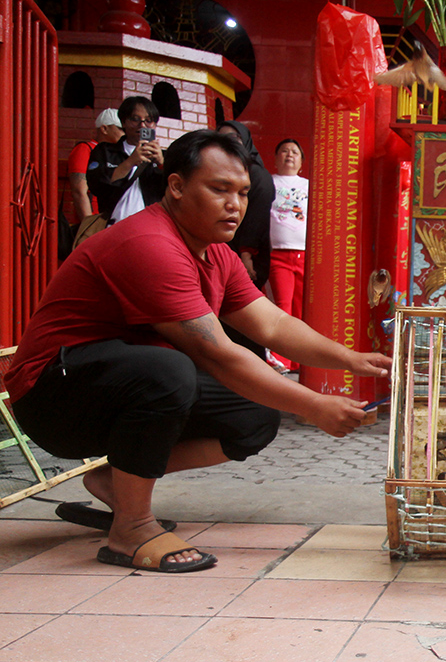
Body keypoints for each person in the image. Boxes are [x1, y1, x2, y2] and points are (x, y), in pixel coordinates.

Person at [4, 130, 390, 574]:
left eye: (243, 192)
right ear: (176, 186)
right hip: (52, 396)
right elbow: (218, 355)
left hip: (113, 385)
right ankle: (131, 528)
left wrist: (351, 359)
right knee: (170, 370)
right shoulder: (151, 244)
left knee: (255, 415)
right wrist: (316, 406)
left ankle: (115, 482)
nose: (235, 204)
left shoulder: (215, 254)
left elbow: (273, 323)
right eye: (219, 189)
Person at [217, 121, 275, 361]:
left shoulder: (257, 175)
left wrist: (246, 254)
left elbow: (257, 218)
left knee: (243, 314)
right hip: (224, 251)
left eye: (233, 137)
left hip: (245, 256)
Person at [85, 96, 166, 225]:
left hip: (152, 228)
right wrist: (130, 161)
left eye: (149, 121)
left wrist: (162, 163)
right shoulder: (105, 151)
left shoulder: (165, 157)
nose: (142, 125)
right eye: (135, 119)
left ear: (155, 125)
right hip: (114, 226)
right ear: (123, 122)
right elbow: (96, 185)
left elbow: (179, 190)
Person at [267, 138, 309, 372]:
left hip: (304, 253)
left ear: (301, 162)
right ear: (275, 158)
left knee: (302, 308)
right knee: (283, 305)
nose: (289, 155)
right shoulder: (268, 183)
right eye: (284, 151)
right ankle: (281, 358)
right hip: (279, 253)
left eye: (294, 152)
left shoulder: (309, 185)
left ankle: (301, 359)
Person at [67, 108, 123, 224]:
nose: (125, 133)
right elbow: (79, 191)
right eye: (121, 129)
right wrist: (89, 226)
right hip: (95, 221)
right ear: (104, 129)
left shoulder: (120, 154)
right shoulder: (85, 149)